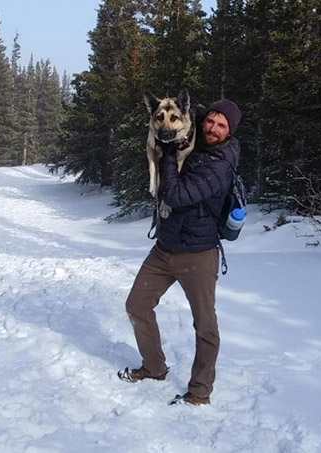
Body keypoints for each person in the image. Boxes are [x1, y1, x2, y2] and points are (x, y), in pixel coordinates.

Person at [120, 99, 241, 405]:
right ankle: (154, 366)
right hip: (165, 248)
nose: (213, 128)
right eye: (211, 121)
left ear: (229, 132)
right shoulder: (195, 137)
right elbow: (186, 116)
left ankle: (200, 392)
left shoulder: (220, 165)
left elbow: (175, 194)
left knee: (204, 325)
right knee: (137, 304)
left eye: (221, 125)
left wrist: (169, 154)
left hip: (198, 255)